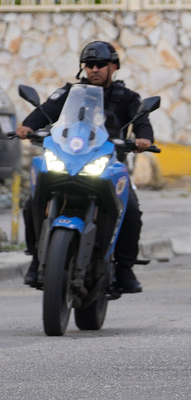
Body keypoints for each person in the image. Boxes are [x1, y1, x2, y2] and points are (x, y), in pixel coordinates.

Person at [16, 41, 153, 293]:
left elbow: (142, 122)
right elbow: (46, 111)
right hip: (68, 160)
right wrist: (28, 126)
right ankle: (37, 259)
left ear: (113, 66)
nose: (95, 69)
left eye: (101, 64)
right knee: (31, 203)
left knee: (131, 210)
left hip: (109, 166)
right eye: (89, 65)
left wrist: (144, 139)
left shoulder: (128, 98)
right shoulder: (70, 92)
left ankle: (124, 269)